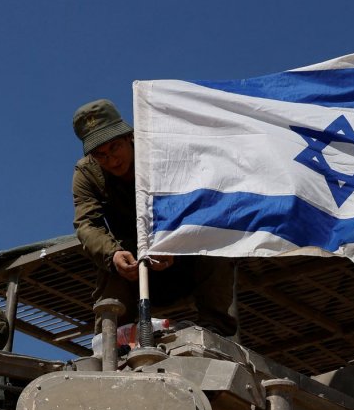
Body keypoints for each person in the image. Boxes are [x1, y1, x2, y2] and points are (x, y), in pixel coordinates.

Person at [70, 99, 237, 337]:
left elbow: (200, 202)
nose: (112, 160)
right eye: (101, 155)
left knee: (215, 242)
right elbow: (87, 225)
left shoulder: (161, 152)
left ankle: (215, 330)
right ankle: (113, 341)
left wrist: (173, 241)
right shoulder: (87, 174)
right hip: (134, 267)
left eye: (115, 148)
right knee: (109, 263)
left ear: (129, 137)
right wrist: (113, 254)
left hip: (183, 256)